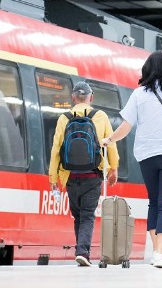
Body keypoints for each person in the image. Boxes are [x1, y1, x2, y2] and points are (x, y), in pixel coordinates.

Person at [100, 52, 162, 269]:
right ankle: (160, 254)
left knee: (154, 201)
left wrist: (109, 139)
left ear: (147, 70)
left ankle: (156, 252)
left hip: (147, 155)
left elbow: (125, 127)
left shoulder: (139, 94)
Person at [48, 81, 119, 266]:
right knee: (87, 214)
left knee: (78, 215)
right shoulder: (100, 116)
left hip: (70, 175)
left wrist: (53, 178)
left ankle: (81, 249)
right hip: (93, 174)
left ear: (73, 97)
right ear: (91, 97)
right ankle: (82, 251)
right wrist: (113, 168)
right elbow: (111, 143)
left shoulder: (64, 118)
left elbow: (56, 149)